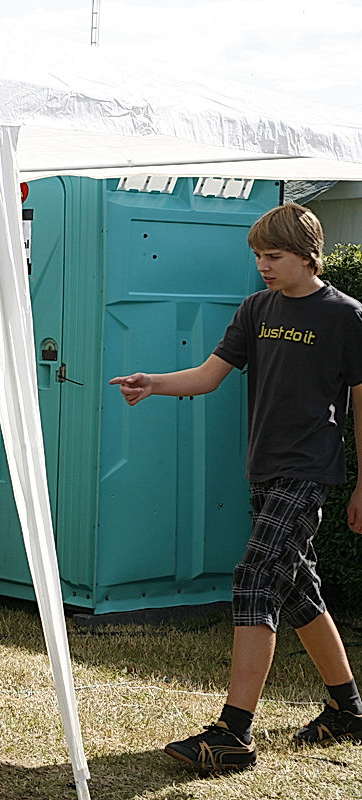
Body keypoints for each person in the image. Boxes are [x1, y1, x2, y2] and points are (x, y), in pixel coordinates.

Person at [109, 203, 362, 772]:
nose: (263, 266)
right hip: (264, 469)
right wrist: (153, 384)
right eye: (258, 257)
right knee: (298, 590)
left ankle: (233, 732)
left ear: (306, 255)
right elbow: (208, 375)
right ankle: (349, 711)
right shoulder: (255, 309)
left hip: (309, 470)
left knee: (254, 578)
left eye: (273, 257)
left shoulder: (347, 316)